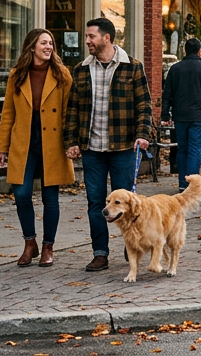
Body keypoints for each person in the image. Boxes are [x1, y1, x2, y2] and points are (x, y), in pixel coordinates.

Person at [63, 17, 155, 273]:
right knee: (96, 203)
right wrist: (71, 141)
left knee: (129, 204)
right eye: (87, 37)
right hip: (92, 148)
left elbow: (144, 105)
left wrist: (142, 133)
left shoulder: (132, 67)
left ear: (106, 38)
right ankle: (100, 253)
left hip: (123, 147)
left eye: (91, 36)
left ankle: (132, 244)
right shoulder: (81, 69)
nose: (87, 41)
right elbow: (73, 108)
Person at [0, 28, 73, 269]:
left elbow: (69, 114)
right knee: (21, 194)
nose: (48, 47)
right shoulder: (17, 75)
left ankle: (48, 246)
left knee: (50, 198)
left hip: (52, 143)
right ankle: (30, 243)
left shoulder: (62, 75)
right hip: (24, 142)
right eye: (43, 43)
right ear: (32, 47)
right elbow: (8, 113)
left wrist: (71, 143)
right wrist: (2, 147)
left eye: (51, 43)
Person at [161, 38, 201, 189]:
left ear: (184, 51)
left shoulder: (175, 69)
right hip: (198, 115)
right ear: (199, 51)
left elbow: (167, 93)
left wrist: (165, 114)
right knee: (195, 150)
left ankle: (182, 184)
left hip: (180, 115)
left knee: (182, 149)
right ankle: (192, 185)